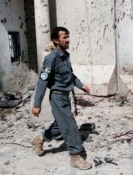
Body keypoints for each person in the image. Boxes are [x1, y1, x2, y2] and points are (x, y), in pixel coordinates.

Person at [30, 26, 92, 170]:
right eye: (65, 37)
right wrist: (37, 104)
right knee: (70, 127)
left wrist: (81, 85)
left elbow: (70, 76)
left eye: (68, 36)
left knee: (60, 124)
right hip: (57, 97)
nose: (68, 40)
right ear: (56, 40)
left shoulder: (65, 56)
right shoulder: (51, 59)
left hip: (66, 97)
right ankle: (75, 157)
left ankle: (39, 139)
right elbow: (42, 81)